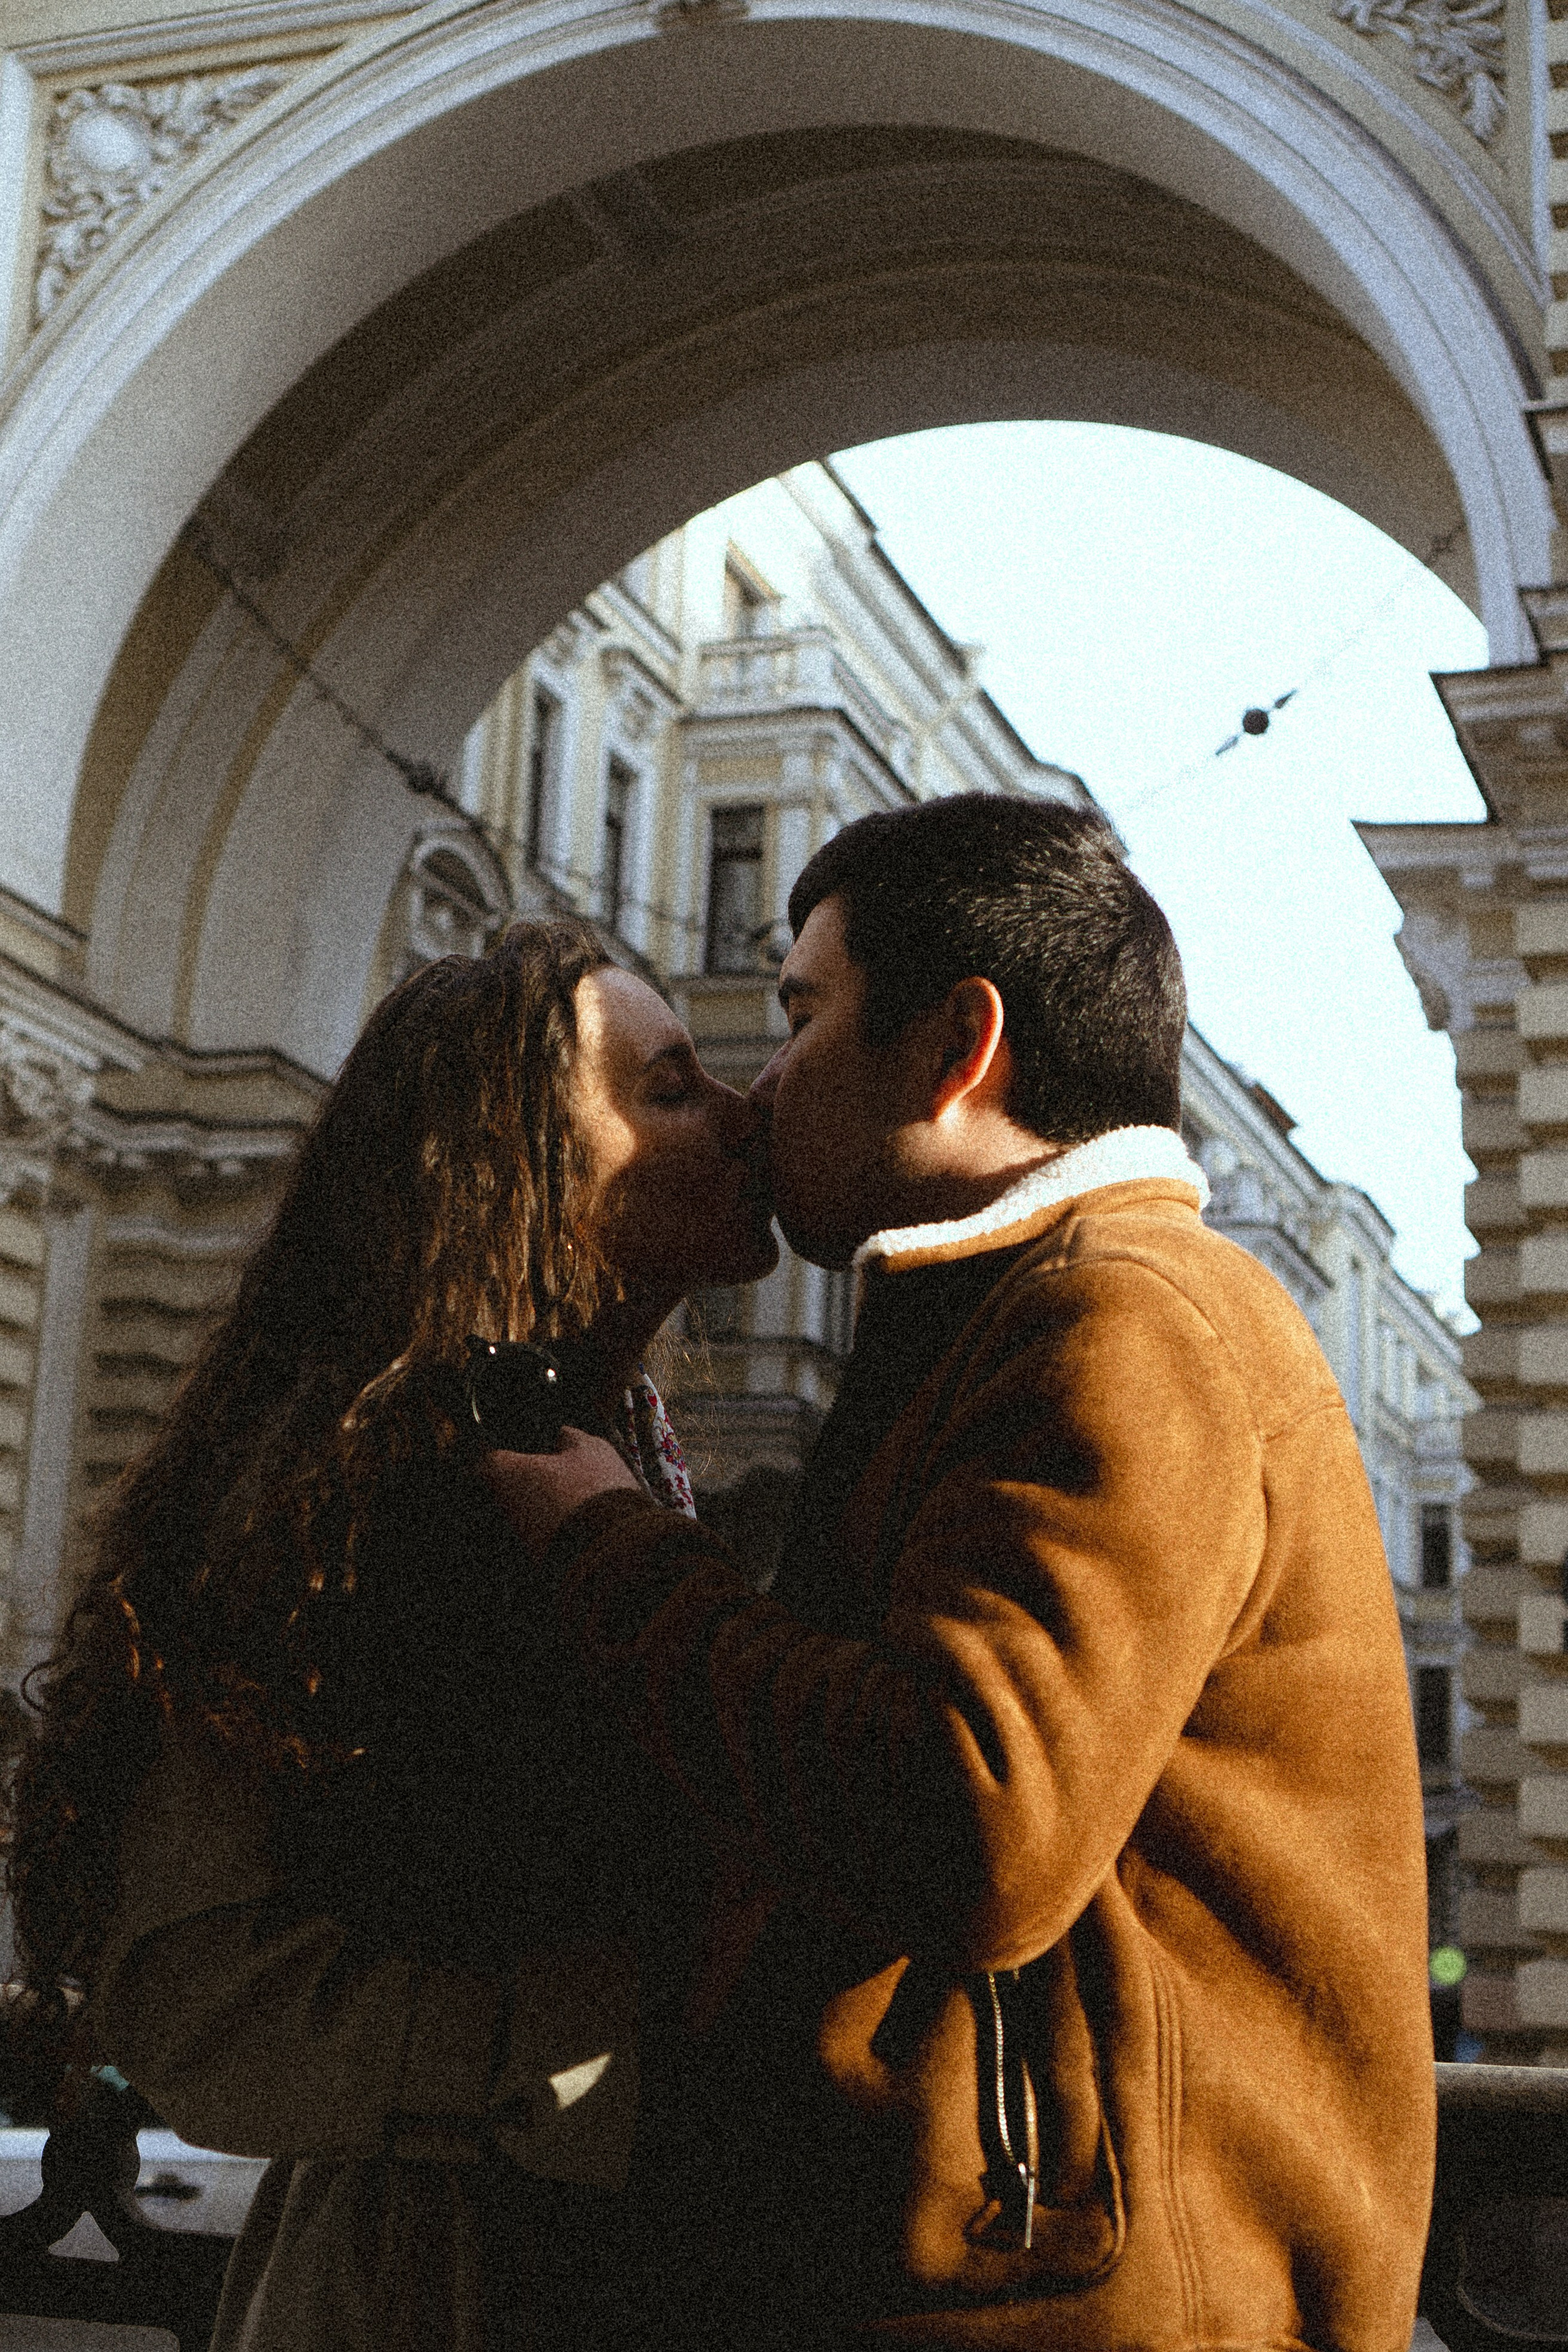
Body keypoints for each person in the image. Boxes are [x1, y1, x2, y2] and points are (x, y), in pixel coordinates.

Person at [486, 793, 1436, 2352]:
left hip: (1081, 2295)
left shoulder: (1120, 1318)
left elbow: (969, 1819)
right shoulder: (1014, 1310)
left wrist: (608, 1542)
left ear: (955, 1047)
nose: (765, 1078)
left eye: (803, 1013)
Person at [5, 916, 777, 2352]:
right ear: (520, 1175)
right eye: (669, 1088)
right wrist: (628, 2049)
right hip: (432, 2281)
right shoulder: (362, 1485)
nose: (750, 1114)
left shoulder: (616, 1454)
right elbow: (198, 1991)